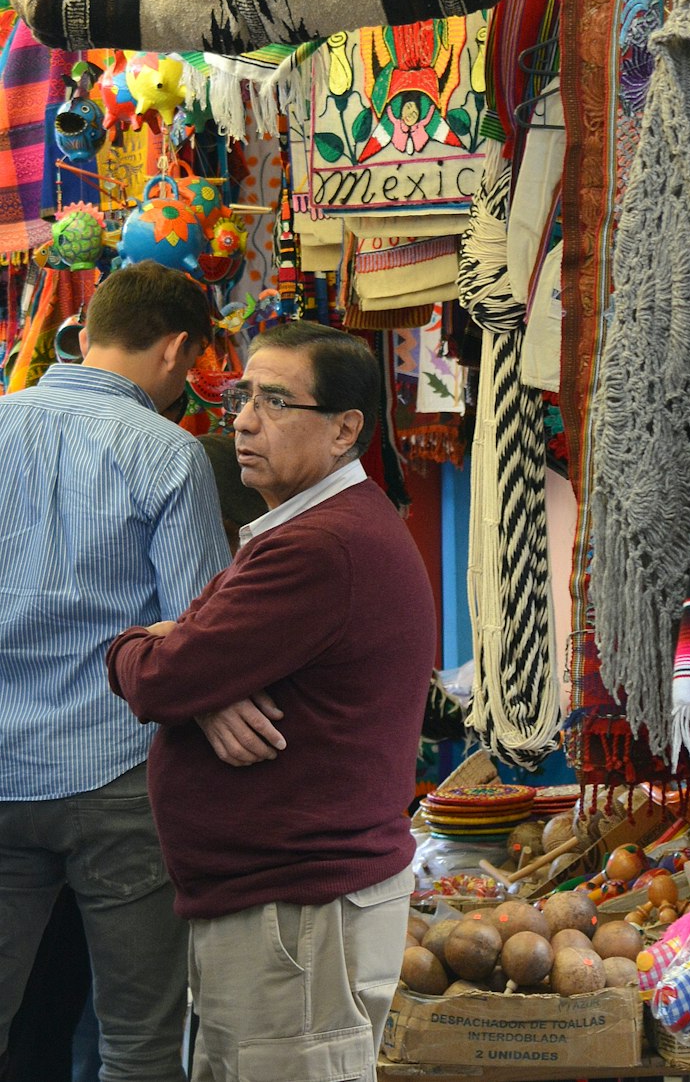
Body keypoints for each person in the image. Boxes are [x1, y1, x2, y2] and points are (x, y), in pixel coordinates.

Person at [107, 321, 437, 1082]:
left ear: (346, 429)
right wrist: (195, 685)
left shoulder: (317, 547)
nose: (247, 421)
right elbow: (185, 670)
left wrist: (144, 651)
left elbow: (160, 676)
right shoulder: (311, 530)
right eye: (242, 398)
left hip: (296, 924)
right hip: (285, 917)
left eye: (277, 401)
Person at [0, 260, 233, 1082]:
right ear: (176, 351)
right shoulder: (169, 454)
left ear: (88, 331)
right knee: (138, 1041)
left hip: (1, 768)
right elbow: (203, 636)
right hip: (119, 778)